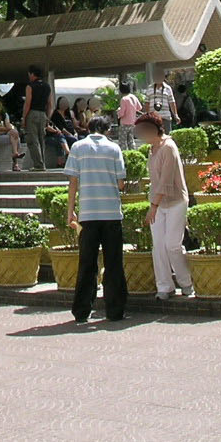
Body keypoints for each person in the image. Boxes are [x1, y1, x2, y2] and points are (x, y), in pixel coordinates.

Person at [65, 116, 128, 323]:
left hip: (88, 214)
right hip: (111, 213)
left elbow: (73, 182)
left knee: (87, 263)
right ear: (107, 130)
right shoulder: (114, 148)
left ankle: (82, 311)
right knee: (114, 263)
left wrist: (70, 211)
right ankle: (115, 311)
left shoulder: (77, 147)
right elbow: (120, 183)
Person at [136, 112, 194, 300]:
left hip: (176, 201)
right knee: (158, 246)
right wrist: (153, 204)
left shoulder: (168, 147)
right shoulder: (151, 149)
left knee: (172, 245)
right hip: (158, 203)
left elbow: (166, 181)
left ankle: (186, 283)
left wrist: (153, 206)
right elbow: (154, 181)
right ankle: (164, 286)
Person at [21, 66, 52, 171]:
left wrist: (24, 118)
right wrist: (47, 117)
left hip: (32, 113)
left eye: (29, 74)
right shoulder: (47, 86)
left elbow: (27, 103)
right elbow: (50, 104)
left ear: (32, 74)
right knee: (41, 139)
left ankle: (38, 165)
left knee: (32, 140)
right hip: (43, 114)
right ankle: (42, 164)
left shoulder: (30, 86)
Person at [116, 81, 141, 150]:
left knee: (122, 141)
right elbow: (139, 107)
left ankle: (124, 155)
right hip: (132, 122)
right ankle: (132, 152)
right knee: (131, 140)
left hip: (124, 123)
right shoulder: (133, 97)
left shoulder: (124, 99)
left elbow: (122, 113)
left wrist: (118, 111)